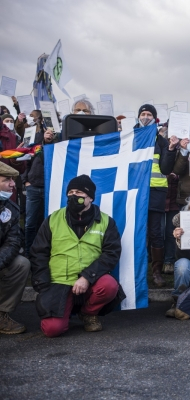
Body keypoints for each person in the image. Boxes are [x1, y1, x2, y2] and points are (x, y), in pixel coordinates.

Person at [29, 175, 124, 337]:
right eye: (71, 192)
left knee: (109, 286)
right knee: (52, 330)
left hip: (91, 280)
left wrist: (87, 277)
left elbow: (111, 253)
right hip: (58, 281)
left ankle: (88, 313)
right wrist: (43, 286)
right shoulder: (53, 219)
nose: (74, 196)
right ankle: (64, 309)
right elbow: (38, 252)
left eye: (79, 193)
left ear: (90, 198)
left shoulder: (107, 222)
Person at [135, 104, 178, 287]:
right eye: (143, 114)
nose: (145, 117)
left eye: (149, 114)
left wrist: (170, 149)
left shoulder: (160, 140)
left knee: (155, 233)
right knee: (135, 232)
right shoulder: (130, 137)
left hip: (156, 192)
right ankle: (136, 272)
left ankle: (157, 273)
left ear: (155, 118)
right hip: (135, 192)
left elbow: (166, 169)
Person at [0, 163, 30, 334]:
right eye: (7, 180)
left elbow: (13, 242)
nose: (12, 184)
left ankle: (1, 314)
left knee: (21, 264)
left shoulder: (11, 209)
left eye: (13, 180)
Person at [22, 111, 57, 256]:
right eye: (47, 132)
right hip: (34, 187)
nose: (49, 134)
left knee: (46, 223)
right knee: (30, 223)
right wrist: (26, 181)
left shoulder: (59, 146)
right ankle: (28, 251)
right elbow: (25, 163)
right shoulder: (34, 144)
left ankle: (43, 252)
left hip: (50, 189)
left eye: (52, 132)